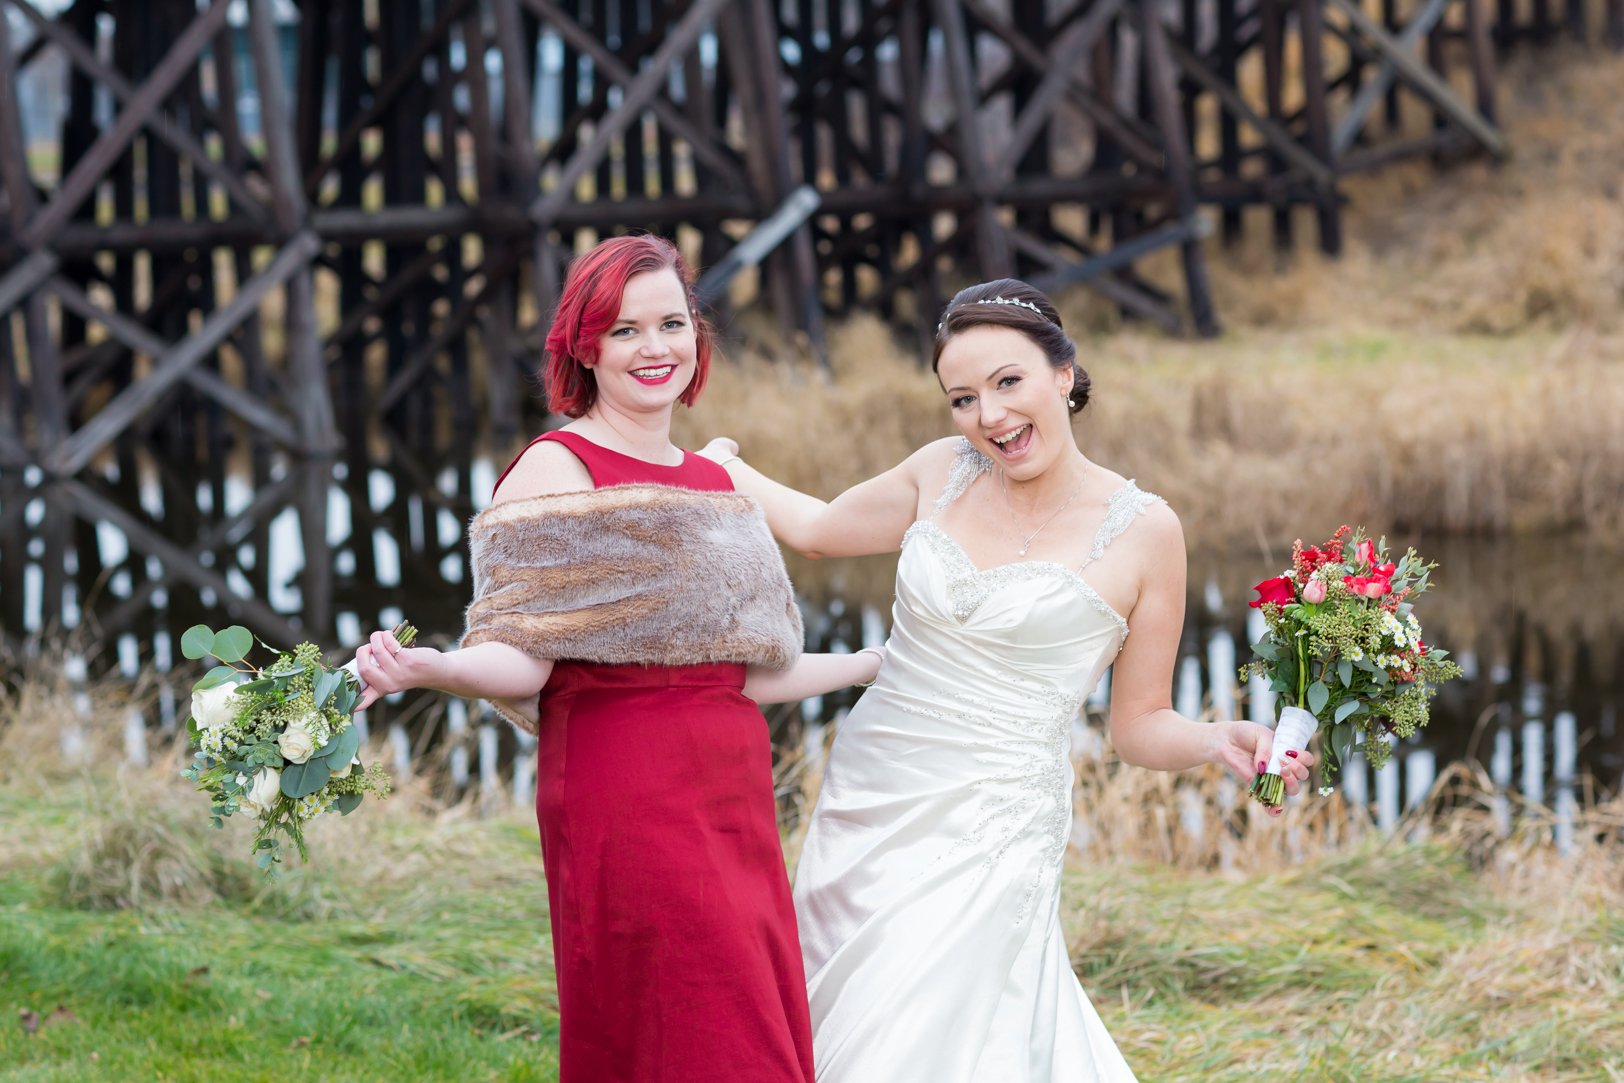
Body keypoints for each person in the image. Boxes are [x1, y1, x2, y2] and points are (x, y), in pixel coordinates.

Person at [699, 279, 1315, 1083]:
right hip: (872, 793)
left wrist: (1214, 738)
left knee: (939, 1031)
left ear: (1063, 374)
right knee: (845, 1018)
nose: (988, 417)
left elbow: (1137, 723)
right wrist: (708, 465)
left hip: (998, 823)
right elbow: (816, 531)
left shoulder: (1146, 531)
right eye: (962, 398)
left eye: (1007, 382)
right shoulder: (940, 473)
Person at [352, 234, 880, 1083]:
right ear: (585, 343)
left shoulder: (715, 482)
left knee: (748, 1024)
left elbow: (742, 671)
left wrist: (868, 662)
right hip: (626, 785)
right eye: (626, 329)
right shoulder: (556, 468)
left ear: (697, 336)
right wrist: (435, 668)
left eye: (672, 323)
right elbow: (521, 660)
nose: (654, 348)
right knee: (687, 1030)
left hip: (732, 791)